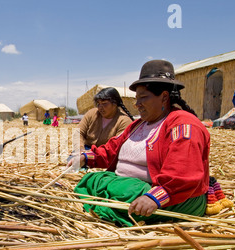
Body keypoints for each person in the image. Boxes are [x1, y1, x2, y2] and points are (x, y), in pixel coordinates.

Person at [67, 60, 213, 227]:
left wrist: (154, 197)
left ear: (164, 97)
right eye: (137, 99)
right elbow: (111, 149)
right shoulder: (137, 125)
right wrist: (85, 157)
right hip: (129, 186)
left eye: (143, 98)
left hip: (174, 197)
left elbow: (183, 174)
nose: (137, 105)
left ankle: (113, 209)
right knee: (93, 179)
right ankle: (113, 207)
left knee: (122, 191)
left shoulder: (183, 125)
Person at [76, 87, 135, 152]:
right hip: (86, 149)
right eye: (98, 104)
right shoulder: (92, 113)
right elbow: (78, 132)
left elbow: (116, 147)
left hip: (107, 154)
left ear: (114, 104)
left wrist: (91, 155)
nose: (100, 107)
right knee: (73, 161)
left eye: (104, 104)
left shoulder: (124, 121)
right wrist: (80, 149)